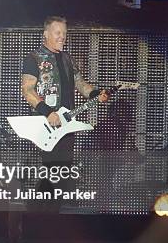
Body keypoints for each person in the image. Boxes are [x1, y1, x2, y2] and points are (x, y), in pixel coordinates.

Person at [21, 16, 108, 204]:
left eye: (65, 33)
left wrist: (95, 94)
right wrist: (47, 111)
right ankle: (42, 209)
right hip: (46, 124)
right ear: (46, 34)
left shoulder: (68, 59)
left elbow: (80, 83)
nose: (62, 37)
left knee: (64, 167)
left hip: (66, 123)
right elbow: (27, 90)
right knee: (53, 168)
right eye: (58, 32)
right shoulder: (34, 58)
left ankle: (59, 209)